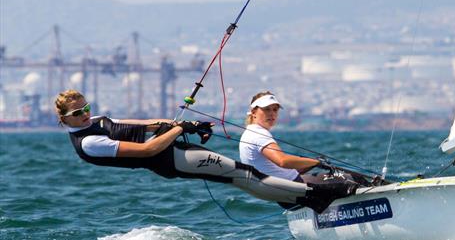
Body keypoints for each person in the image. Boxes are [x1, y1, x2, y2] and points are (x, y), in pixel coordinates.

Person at [55, 89, 352, 212]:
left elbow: (146, 125)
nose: (85, 114)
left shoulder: (97, 120)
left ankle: (308, 197)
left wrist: (187, 124)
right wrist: (179, 129)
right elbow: (147, 150)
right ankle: (316, 195)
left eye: (86, 107)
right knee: (243, 175)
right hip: (171, 160)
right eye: (78, 113)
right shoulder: (89, 142)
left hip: (177, 151)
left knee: (241, 175)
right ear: (64, 119)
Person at [239, 91, 372, 208]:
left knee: (342, 179)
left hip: (287, 195)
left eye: (275, 110)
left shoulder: (249, 134)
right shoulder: (259, 134)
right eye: (267, 109)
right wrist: (315, 162)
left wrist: (311, 164)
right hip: (295, 190)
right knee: (354, 179)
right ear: (254, 112)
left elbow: (278, 171)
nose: (272, 114)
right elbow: (283, 161)